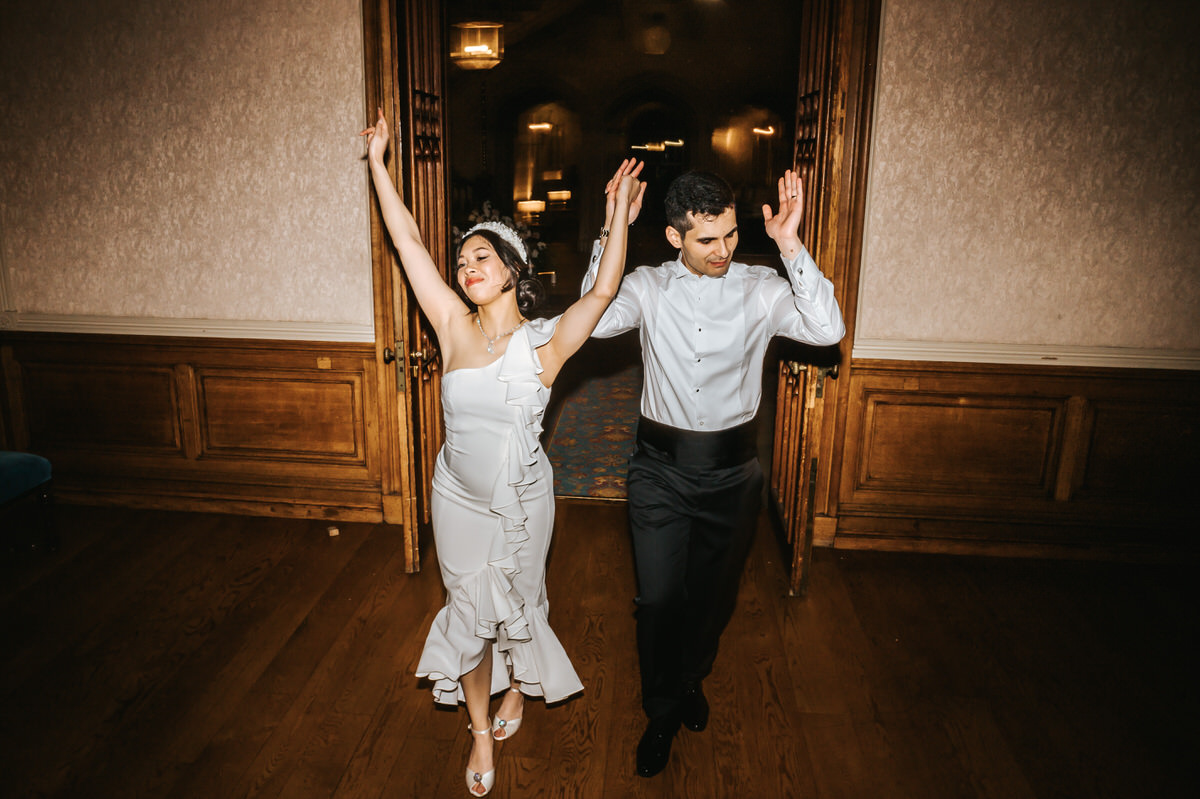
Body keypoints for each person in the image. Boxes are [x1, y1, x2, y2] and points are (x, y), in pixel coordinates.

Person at [362, 109, 644, 796]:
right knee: (469, 614)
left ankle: (519, 688)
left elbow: (604, 291)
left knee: (520, 601)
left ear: (513, 269)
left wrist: (618, 223)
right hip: (455, 497)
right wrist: (377, 163)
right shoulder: (451, 327)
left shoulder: (543, 343)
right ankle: (481, 728)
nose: (465, 266)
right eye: (461, 260)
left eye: (480, 255)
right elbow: (406, 244)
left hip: (522, 499)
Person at [582, 168, 845, 778]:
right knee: (658, 600)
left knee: (712, 597)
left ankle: (693, 675)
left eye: (729, 235)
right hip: (659, 472)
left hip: (733, 474)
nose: (723, 249)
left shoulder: (759, 286)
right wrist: (611, 228)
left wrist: (788, 243)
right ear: (675, 237)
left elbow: (827, 330)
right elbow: (591, 322)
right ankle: (662, 711)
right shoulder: (645, 287)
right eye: (707, 240)